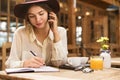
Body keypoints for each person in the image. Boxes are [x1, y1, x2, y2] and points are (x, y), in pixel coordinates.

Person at [6, 0, 68, 68]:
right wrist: (24, 63)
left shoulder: (60, 32)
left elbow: (60, 63)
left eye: (41, 14)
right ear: (28, 18)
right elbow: (10, 63)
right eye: (32, 16)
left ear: (49, 14)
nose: (38, 20)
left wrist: (55, 33)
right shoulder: (20, 33)